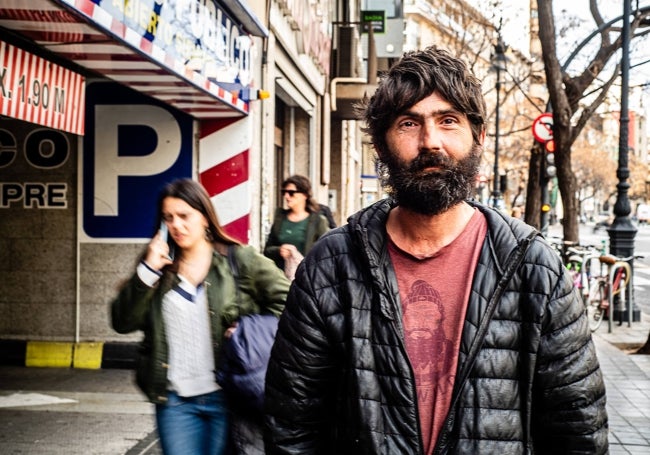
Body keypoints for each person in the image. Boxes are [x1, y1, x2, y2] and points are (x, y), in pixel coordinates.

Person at [264, 47, 608, 454]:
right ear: (381, 144)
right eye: (409, 123)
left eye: (448, 121)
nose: (431, 142)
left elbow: (578, 429)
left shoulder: (534, 268)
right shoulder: (331, 266)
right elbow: (292, 423)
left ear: (478, 135)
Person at [110, 178, 290, 455]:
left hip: (229, 397)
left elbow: (292, 302)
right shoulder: (157, 267)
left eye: (184, 216)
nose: (176, 225)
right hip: (174, 401)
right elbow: (122, 322)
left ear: (205, 217)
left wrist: (250, 329)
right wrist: (148, 270)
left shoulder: (239, 260)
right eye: (168, 218)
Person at [263, 175, 330, 280]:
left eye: (291, 193)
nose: (286, 196)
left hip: (307, 278)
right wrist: (279, 250)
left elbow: (326, 252)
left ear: (305, 195)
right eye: (284, 192)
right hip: (280, 278)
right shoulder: (280, 218)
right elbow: (267, 250)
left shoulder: (318, 221)